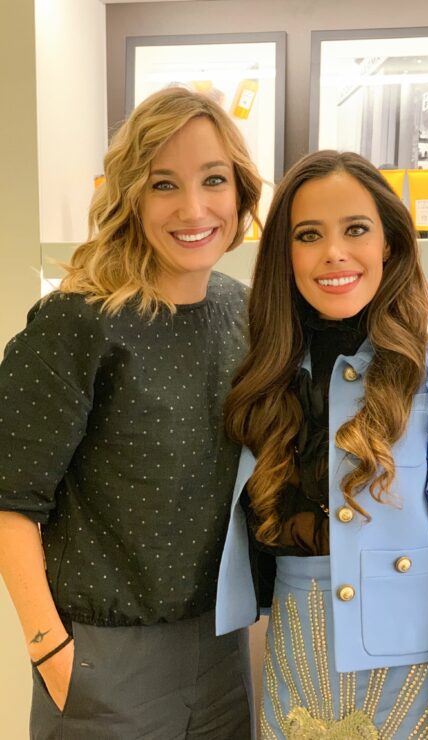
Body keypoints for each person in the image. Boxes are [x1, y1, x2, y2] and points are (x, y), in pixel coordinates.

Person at [216, 150, 428, 738]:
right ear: (285, 256)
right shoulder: (264, 377)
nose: (334, 252)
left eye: (356, 229)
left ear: (389, 245)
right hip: (293, 664)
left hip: (413, 680)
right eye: (309, 235)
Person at [0, 86, 261, 739]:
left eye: (213, 180)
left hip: (222, 650)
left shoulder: (243, 310)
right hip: (105, 661)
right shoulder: (77, 321)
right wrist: (50, 650)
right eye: (163, 184)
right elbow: (9, 499)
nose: (194, 208)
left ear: (240, 191)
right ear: (131, 197)